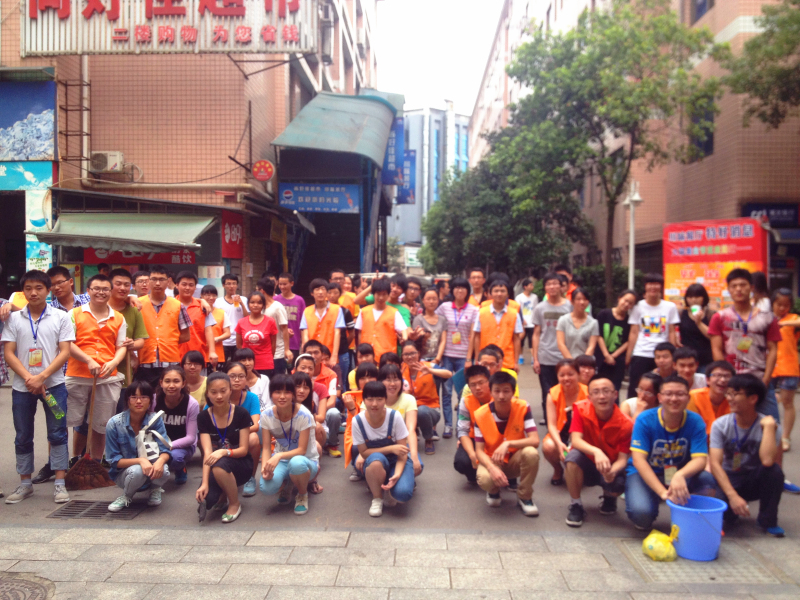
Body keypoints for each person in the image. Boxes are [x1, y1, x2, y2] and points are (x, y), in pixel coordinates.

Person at [2, 270, 74, 504]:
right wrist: (29, 378)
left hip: (55, 386)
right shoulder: (14, 319)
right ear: (23, 291)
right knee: (23, 434)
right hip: (22, 389)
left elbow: (65, 351)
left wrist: (42, 376)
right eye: (28, 288)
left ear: (48, 290)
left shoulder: (61, 317)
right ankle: (25, 484)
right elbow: (9, 353)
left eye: (39, 288)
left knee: (58, 431)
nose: (33, 293)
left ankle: (60, 483)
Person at [625, 374, 717, 530]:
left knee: (706, 479)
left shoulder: (695, 421)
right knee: (642, 515)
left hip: (679, 472)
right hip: (645, 472)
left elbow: (700, 459)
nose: (674, 399)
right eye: (668, 394)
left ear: (688, 398)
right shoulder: (645, 419)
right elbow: (639, 460)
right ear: (660, 397)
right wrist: (662, 492)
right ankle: (650, 500)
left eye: (680, 394)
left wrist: (680, 475)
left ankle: (694, 517)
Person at [709, 374, 784, 536]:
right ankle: (733, 510)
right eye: (728, 393)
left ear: (753, 399)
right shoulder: (720, 425)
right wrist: (732, 496)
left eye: (735, 394)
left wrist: (768, 428)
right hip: (728, 478)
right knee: (724, 518)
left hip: (753, 478)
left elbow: (768, 461)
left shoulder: (770, 425)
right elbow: (714, 463)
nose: (729, 398)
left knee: (775, 472)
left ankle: (767, 521)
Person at [65, 274, 128, 462]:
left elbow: (121, 346)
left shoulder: (119, 318)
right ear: (88, 291)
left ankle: (96, 463)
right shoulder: (74, 314)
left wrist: (114, 362)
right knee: (70, 421)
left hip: (107, 377)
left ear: (110, 292)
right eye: (96, 289)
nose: (101, 292)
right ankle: (73, 461)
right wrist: (88, 360)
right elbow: (67, 343)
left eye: (105, 289)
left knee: (101, 424)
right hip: (77, 376)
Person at [709, 268, 781, 422]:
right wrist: (725, 377)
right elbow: (716, 349)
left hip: (759, 380)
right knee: (733, 425)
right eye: (734, 286)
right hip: (732, 382)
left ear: (752, 287)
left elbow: (773, 349)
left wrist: (766, 380)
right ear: (729, 290)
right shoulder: (720, 317)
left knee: (771, 424)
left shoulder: (767, 317)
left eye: (743, 285)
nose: (738, 289)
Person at [565, 377, 633, 527]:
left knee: (617, 485)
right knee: (572, 458)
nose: (601, 396)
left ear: (615, 394)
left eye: (606, 391)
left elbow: (623, 458)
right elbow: (575, 440)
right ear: (589, 397)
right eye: (596, 392)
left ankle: (610, 497)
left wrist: (612, 472)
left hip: (611, 465)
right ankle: (576, 504)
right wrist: (596, 452)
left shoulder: (627, 424)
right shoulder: (580, 409)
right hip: (588, 460)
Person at [474, 371, 540, 516]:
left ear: (513, 391)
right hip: (492, 459)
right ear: (490, 391)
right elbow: (479, 451)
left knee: (531, 452)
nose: (501, 396)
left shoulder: (523, 407)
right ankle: (493, 491)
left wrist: (508, 444)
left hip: (514, 459)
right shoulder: (480, 414)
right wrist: (491, 468)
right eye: (497, 391)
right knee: (485, 479)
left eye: (506, 391)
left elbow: (535, 440)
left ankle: (525, 496)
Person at [105, 380, 171, 511]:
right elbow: (113, 460)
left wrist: (160, 462)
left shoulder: (155, 419)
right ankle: (127, 495)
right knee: (138, 471)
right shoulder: (114, 423)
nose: (139, 401)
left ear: (150, 400)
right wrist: (141, 460)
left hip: (151, 468)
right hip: (125, 474)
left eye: (144, 397)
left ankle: (155, 488)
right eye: (134, 397)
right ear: (127, 400)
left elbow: (166, 450)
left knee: (164, 469)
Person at [196, 371, 252, 523]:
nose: (219, 396)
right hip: (215, 463)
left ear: (230, 390)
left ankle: (234, 503)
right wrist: (204, 483)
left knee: (220, 466)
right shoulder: (203, 417)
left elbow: (243, 450)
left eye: (223, 391)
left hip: (240, 463)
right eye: (214, 392)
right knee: (206, 500)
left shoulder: (241, 413)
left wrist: (224, 452)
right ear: (207, 393)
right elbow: (207, 452)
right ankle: (222, 492)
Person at [351, 381, 414, 517]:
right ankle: (377, 497)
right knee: (375, 460)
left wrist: (397, 474)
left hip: (397, 460)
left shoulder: (394, 416)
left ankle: (388, 484)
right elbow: (364, 453)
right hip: (375, 460)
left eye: (379, 399)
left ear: (385, 399)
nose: (374, 404)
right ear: (363, 400)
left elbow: (402, 451)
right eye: (370, 399)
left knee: (403, 494)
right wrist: (391, 448)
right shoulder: (357, 421)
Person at [259, 374, 319, 515]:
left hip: (306, 460)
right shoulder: (266, 415)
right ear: (271, 394)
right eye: (277, 392)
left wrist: (278, 455)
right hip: (283, 461)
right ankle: (288, 483)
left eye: (287, 392)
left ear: (293, 395)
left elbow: (302, 450)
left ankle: (302, 494)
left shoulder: (304, 414)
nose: (282, 396)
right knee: (267, 487)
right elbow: (266, 447)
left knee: (297, 463)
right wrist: (264, 468)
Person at [136, 266, 191, 387]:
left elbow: (186, 336)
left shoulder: (177, 305)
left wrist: (168, 340)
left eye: (161, 279)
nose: (157, 283)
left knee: (170, 394)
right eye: (154, 279)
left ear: (168, 281)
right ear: (149, 281)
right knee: (145, 395)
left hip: (170, 362)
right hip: (144, 362)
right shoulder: (138, 304)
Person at [625, 273, 680, 395]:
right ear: (645, 286)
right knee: (636, 388)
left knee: (662, 388)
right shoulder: (638, 306)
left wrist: (673, 355)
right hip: (641, 353)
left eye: (656, 284)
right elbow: (634, 332)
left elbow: (671, 331)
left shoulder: (670, 307)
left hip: (662, 355)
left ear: (661, 286)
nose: (653, 287)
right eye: (650, 284)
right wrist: (629, 356)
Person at [532, 273, 573, 425]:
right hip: (545, 355)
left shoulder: (570, 306)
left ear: (562, 287)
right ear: (545, 287)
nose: (552, 287)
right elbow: (536, 333)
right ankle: (550, 421)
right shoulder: (540, 308)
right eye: (549, 284)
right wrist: (535, 358)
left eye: (555, 283)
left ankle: (565, 421)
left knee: (566, 389)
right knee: (547, 391)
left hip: (565, 356)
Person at [400, 340, 453, 454]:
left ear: (419, 353)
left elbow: (449, 374)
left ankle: (429, 438)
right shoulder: (400, 369)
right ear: (402, 356)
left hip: (430, 410)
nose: (409, 357)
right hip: (409, 410)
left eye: (412, 353)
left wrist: (430, 371)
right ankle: (413, 432)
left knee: (422, 411)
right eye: (406, 354)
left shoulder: (429, 366)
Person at [542, 360, 589, 485]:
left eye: (570, 374)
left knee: (577, 461)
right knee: (548, 446)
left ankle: (583, 470)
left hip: (583, 436)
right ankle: (558, 469)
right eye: (562, 375)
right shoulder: (553, 393)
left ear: (578, 374)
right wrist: (559, 444)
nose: (566, 378)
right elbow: (551, 425)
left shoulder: (588, 392)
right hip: (561, 434)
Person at [221, 361, 262, 497]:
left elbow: (255, 425)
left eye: (241, 376)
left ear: (246, 378)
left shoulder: (251, 397)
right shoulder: (218, 396)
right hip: (221, 437)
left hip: (243, 436)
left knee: (254, 438)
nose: (237, 380)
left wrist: (235, 432)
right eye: (232, 376)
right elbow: (206, 420)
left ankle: (250, 477)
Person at [375, 364, 423, 476]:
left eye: (396, 379)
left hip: (402, 446)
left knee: (417, 465)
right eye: (388, 380)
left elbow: (410, 430)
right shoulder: (373, 399)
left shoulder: (409, 399)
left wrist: (414, 456)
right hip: (378, 445)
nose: (392, 384)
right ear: (380, 382)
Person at [153, 366, 199, 485]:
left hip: (183, 446)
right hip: (157, 443)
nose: (171, 385)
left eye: (176, 381)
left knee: (175, 458)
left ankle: (180, 468)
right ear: (161, 383)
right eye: (167, 381)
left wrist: (168, 446)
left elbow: (191, 438)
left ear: (183, 383)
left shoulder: (191, 404)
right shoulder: (154, 400)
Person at [469, 280, 524, 371]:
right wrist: (477, 359)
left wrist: (516, 362)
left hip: (507, 361)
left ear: (508, 294)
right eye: (496, 291)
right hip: (486, 360)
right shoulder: (481, 312)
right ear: (490, 294)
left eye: (502, 291)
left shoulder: (514, 314)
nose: (499, 294)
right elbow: (477, 337)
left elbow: (516, 339)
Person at [297, 345, 341, 457]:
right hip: (295, 427)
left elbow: (321, 417)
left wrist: (300, 419)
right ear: (295, 369)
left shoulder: (321, 387)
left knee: (315, 425)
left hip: (317, 428)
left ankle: (317, 454)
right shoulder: (289, 386)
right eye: (303, 368)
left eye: (310, 368)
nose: (307, 371)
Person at [770, 288, 800, 451]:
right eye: (778, 304)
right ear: (772, 303)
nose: (782, 308)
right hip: (769, 367)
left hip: (789, 367)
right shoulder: (766, 318)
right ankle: (768, 435)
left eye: (786, 305)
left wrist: (783, 323)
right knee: (766, 400)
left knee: (788, 403)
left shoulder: (793, 318)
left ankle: (785, 437)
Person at [108, 268, 148, 384]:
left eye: (126, 285)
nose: (122, 288)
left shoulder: (134, 310)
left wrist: (131, 345)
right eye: (118, 284)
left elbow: (141, 341)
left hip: (124, 371)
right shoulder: (100, 307)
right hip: (101, 368)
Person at [454, 364, 493, 483]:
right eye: (473, 385)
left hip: (497, 439)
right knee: (461, 462)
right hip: (475, 438)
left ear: (489, 381)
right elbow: (463, 430)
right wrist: (472, 455)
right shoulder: (466, 401)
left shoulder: (499, 397)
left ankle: (510, 478)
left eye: (481, 383)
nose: (478, 388)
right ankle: (473, 477)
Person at [355, 278, 408, 362]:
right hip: (367, 357)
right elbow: (360, 333)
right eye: (378, 294)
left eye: (384, 294)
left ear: (388, 294)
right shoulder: (363, 311)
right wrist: (360, 353)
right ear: (373, 294)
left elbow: (403, 329)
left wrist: (404, 338)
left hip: (386, 358)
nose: (381, 297)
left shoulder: (394, 312)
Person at [342, 362, 379, 478]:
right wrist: (352, 409)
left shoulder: (382, 393)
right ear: (357, 381)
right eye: (362, 378)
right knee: (355, 445)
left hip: (378, 430)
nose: (366, 381)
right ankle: (357, 468)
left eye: (370, 377)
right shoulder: (351, 396)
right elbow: (353, 423)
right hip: (358, 430)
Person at [174, 271, 218, 369]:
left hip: (197, 356)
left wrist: (212, 351)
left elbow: (208, 330)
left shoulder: (202, 307)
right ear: (177, 285)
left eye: (191, 285)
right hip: (174, 355)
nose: (187, 288)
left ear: (195, 287)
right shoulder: (170, 305)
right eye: (184, 284)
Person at [595, 289, 636, 392]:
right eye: (625, 300)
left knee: (614, 389)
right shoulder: (604, 314)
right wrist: (606, 355)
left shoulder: (630, 320)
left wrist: (613, 356)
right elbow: (598, 335)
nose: (626, 304)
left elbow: (628, 341)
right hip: (600, 358)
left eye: (630, 303)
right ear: (619, 298)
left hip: (617, 361)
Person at [301, 278, 344, 365]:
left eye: (323, 289)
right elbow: (305, 336)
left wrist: (334, 356)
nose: (320, 292)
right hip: (312, 355)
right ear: (312, 293)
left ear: (327, 292)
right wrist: (306, 355)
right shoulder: (306, 311)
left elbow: (337, 333)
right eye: (317, 289)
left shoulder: (337, 309)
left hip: (329, 355)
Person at [235, 291, 278, 377]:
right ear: (248, 304)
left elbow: (273, 345)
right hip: (246, 364)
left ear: (263, 305)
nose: (255, 305)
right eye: (252, 302)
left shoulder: (270, 321)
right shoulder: (241, 322)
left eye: (259, 302)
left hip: (265, 364)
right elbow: (239, 345)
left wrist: (268, 358)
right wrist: (245, 359)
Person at [687, 360, 735, 435]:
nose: (722, 380)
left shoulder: (735, 400)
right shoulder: (693, 397)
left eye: (727, 376)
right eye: (718, 375)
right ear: (707, 380)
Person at [256, 278, 292, 374]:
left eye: (257, 290)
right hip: (262, 352)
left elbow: (284, 329)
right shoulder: (259, 307)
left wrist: (287, 349)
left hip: (277, 353)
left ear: (262, 291)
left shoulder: (277, 307)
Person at [678, 283, 714, 373]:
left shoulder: (711, 314)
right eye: (690, 297)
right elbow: (674, 330)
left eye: (697, 297)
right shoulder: (681, 313)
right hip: (686, 359)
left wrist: (699, 323)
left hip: (706, 359)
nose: (693, 300)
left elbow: (712, 336)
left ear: (704, 298)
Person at [213, 273, 249, 363]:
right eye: (228, 284)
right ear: (223, 285)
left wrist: (241, 304)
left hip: (238, 340)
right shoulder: (218, 302)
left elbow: (247, 317)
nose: (231, 286)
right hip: (223, 340)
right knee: (222, 365)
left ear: (237, 285)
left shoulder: (244, 300)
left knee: (238, 365)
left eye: (234, 283)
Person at [556, 288, 598, 359]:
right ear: (572, 302)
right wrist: (572, 362)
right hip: (568, 362)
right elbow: (561, 344)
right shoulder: (563, 320)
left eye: (585, 299)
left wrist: (582, 363)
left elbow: (591, 346)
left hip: (586, 362)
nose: (582, 302)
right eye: (578, 299)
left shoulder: (593, 323)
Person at [327, 281, 355, 380]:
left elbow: (352, 332)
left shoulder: (345, 311)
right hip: (326, 352)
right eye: (329, 292)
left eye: (335, 293)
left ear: (340, 294)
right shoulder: (322, 311)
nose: (332, 295)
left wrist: (344, 344)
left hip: (342, 353)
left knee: (342, 381)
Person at [411, 287, 447, 363]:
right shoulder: (418, 319)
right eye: (428, 299)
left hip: (437, 360)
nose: (431, 302)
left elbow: (443, 341)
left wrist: (437, 359)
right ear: (423, 300)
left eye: (434, 299)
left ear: (438, 300)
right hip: (422, 359)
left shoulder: (442, 319)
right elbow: (417, 341)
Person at [276, 272, 306, 361]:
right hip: (278, 344)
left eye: (284, 284)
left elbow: (303, 323)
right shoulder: (275, 300)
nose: (282, 287)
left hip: (294, 343)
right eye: (280, 284)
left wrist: (303, 342)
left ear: (292, 283)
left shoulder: (299, 300)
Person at [200, 285, 231, 372]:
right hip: (199, 354)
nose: (211, 298)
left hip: (217, 354)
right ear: (201, 296)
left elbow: (227, 333)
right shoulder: (196, 311)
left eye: (214, 295)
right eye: (208, 295)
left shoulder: (221, 312)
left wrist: (215, 339)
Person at [233, 348, 271, 412]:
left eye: (250, 360)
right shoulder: (234, 381)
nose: (247, 363)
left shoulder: (264, 379)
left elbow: (267, 404)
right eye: (243, 360)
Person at [515, 278, 538, 365]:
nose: (532, 286)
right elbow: (517, 309)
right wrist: (521, 320)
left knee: (532, 341)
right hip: (522, 323)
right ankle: (520, 357)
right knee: (520, 341)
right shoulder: (519, 297)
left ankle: (533, 358)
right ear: (525, 286)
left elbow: (536, 308)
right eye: (530, 285)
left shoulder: (534, 297)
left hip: (532, 322)